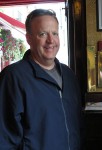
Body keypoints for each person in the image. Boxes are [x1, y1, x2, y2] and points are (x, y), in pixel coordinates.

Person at [0, 9, 83, 150]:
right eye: (43, 34)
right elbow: (4, 138)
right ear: (29, 38)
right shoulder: (13, 77)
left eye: (55, 33)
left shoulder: (69, 75)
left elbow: (78, 127)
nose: (51, 40)